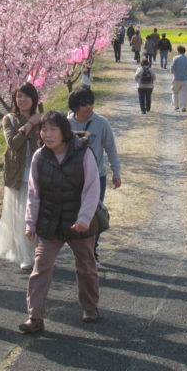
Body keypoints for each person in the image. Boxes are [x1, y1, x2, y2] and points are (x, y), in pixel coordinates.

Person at [19, 111, 101, 333]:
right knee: (41, 267)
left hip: (78, 221)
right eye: (44, 129)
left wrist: (84, 218)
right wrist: (30, 223)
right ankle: (35, 317)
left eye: (53, 129)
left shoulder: (83, 153)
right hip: (50, 221)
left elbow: (92, 189)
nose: (47, 134)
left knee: (86, 266)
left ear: (64, 131)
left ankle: (90, 307)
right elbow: (34, 193)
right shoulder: (39, 156)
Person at [67, 87, 121, 265]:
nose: (88, 107)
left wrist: (116, 172)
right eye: (83, 104)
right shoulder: (67, 124)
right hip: (73, 178)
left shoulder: (101, 123)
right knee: (76, 215)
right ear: (75, 106)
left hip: (97, 176)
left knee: (94, 214)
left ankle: (92, 252)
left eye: (90, 103)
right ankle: (80, 251)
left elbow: (110, 148)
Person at [0, 83, 41, 270]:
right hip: (18, 174)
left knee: (38, 214)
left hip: (38, 173)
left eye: (26, 96)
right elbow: (13, 144)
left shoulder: (41, 118)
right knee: (21, 215)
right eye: (18, 96)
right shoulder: (10, 120)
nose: (22, 100)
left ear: (34, 99)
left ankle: (38, 251)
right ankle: (25, 255)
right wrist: (30, 124)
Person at [170, 46, 187, 112]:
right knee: (184, 94)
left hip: (176, 78)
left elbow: (172, 68)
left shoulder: (175, 58)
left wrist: (173, 73)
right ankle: (183, 107)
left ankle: (176, 106)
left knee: (175, 92)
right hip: (185, 79)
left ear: (178, 51)